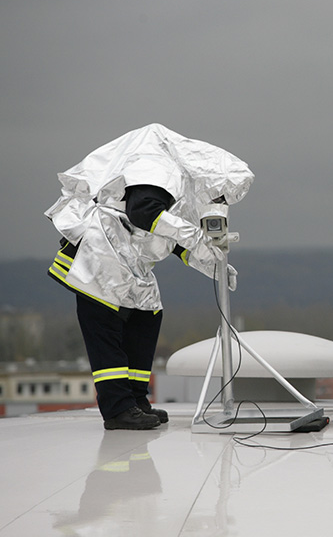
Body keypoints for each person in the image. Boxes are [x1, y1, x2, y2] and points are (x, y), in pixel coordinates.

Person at [45, 123, 254, 430]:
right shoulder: (158, 163)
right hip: (101, 256)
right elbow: (143, 212)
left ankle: (136, 400)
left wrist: (211, 265)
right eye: (221, 196)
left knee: (146, 318)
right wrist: (196, 239)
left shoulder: (178, 184)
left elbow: (166, 237)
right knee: (107, 335)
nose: (219, 203)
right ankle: (118, 410)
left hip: (132, 263)